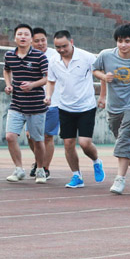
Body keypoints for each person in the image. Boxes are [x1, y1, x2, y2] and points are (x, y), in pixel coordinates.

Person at [92, 24, 130, 194]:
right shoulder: (106, 55)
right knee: (123, 140)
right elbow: (95, 69)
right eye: (120, 41)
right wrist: (104, 76)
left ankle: (120, 179)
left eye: (127, 41)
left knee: (123, 141)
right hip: (114, 106)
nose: (123, 45)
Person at [45, 30, 105, 189]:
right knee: (68, 143)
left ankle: (96, 161)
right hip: (64, 107)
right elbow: (51, 81)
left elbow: (101, 75)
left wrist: (102, 97)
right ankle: (76, 176)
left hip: (86, 106)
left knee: (85, 143)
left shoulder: (86, 57)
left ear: (71, 42)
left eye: (64, 46)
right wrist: (49, 96)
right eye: (58, 47)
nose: (61, 50)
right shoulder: (53, 61)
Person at [3, 24, 49, 184]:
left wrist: (32, 85)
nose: (22, 37)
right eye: (19, 34)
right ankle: (18, 169)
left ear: (31, 39)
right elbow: (6, 70)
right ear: (15, 37)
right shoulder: (9, 55)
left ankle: (41, 169)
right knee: (10, 136)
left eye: (26, 34)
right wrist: (8, 84)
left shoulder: (39, 56)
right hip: (16, 103)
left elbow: (47, 78)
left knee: (37, 140)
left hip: (36, 105)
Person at [28, 27, 60, 179]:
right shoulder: (27, 56)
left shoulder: (55, 55)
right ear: (30, 42)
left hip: (53, 102)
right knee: (30, 135)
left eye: (43, 40)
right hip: (32, 101)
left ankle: (45, 168)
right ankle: (38, 161)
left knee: (48, 136)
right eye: (37, 41)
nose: (41, 44)